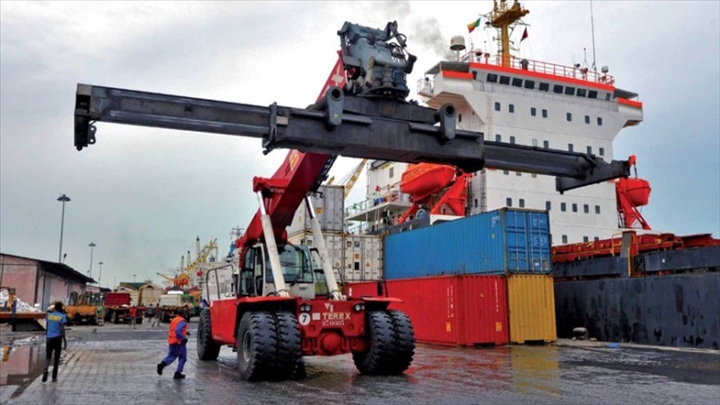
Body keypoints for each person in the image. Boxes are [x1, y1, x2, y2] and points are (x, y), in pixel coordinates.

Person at [157, 308, 189, 379]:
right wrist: (183, 338)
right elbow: (178, 330)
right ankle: (178, 373)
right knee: (183, 358)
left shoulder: (175, 319)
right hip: (179, 342)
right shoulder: (182, 320)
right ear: (183, 314)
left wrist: (186, 332)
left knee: (172, 355)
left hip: (172, 340)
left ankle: (162, 364)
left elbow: (175, 329)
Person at [43, 301, 67, 383]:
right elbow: (62, 330)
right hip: (57, 339)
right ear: (61, 308)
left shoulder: (49, 316)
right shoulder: (62, 316)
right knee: (56, 358)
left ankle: (45, 369)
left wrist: (47, 335)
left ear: (54, 308)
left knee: (48, 356)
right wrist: (65, 341)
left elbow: (47, 327)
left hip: (49, 338)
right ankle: (54, 377)